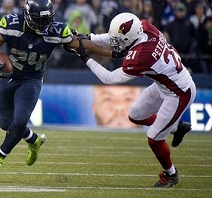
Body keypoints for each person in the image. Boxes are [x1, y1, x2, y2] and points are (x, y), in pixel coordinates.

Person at [0, 0, 116, 179]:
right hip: (9, 76)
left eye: (47, 19)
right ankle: (33, 139)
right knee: (6, 124)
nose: (44, 24)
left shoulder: (57, 31)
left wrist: (113, 53)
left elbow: (82, 44)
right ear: (27, 16)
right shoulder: (12, 25)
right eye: (39, 19)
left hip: (31, 79)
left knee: (19, 121)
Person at [73, 12, 196, 187]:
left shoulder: (141, 55)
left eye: (120, 40)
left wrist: (85, 57)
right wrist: (89, 37)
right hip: (165, 83)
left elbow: (109, 78)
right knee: (135, 114)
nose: (116, 43)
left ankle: (171, 175)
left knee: (154, 138)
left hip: (179, 92)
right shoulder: (144, 26)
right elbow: (116, 37)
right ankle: (177, 128)